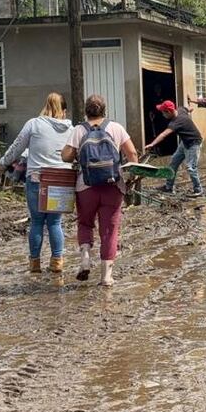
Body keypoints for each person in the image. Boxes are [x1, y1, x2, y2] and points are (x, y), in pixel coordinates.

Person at [61, 95, 139, 287]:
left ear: (86, 111)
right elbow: (132, 153)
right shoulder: (116, 128)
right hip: (113, 186)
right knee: (109, 230)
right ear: (105, 110)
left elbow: (65, 156)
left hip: (86, 186)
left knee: (85, 223)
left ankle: (85, 259)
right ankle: (106, 277)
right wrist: (132, 177)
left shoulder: (79, 130)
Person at [0, 92, 73, 275]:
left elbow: (17, 147)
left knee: (37, 222)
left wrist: (2, 163)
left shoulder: (34, 124)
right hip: (62, 181)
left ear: (45, 106)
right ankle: (57, 262)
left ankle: (35, 264)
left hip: (37, 180)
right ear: (64, 110)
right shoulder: (72, 129)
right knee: (55, 223)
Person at [145, 100, 204, 197]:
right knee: (173, 163)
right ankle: (168, 187)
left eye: (163, 112)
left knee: (191, 168)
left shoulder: (176, 122)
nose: (162, 115)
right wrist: (190, 111)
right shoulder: (181, 110)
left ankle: (198, 190)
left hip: (194, 143)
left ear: (169, 111)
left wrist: (152, 144)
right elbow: (188, 109)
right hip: (184, 142)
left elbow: (164, 134)